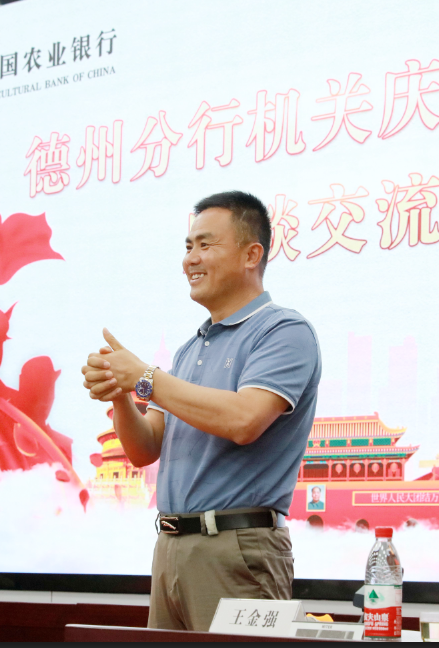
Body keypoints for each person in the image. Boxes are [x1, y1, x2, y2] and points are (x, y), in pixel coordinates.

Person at [81, 191, 322, 632]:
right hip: (170, 547)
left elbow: (244, 421)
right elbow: (144, 449)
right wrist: (120, 392)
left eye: (205, 245)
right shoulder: (189, 350)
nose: (190, 258)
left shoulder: (284, 330)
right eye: (188, 246)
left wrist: (145, 377)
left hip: (236, 550)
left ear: (252, 255)